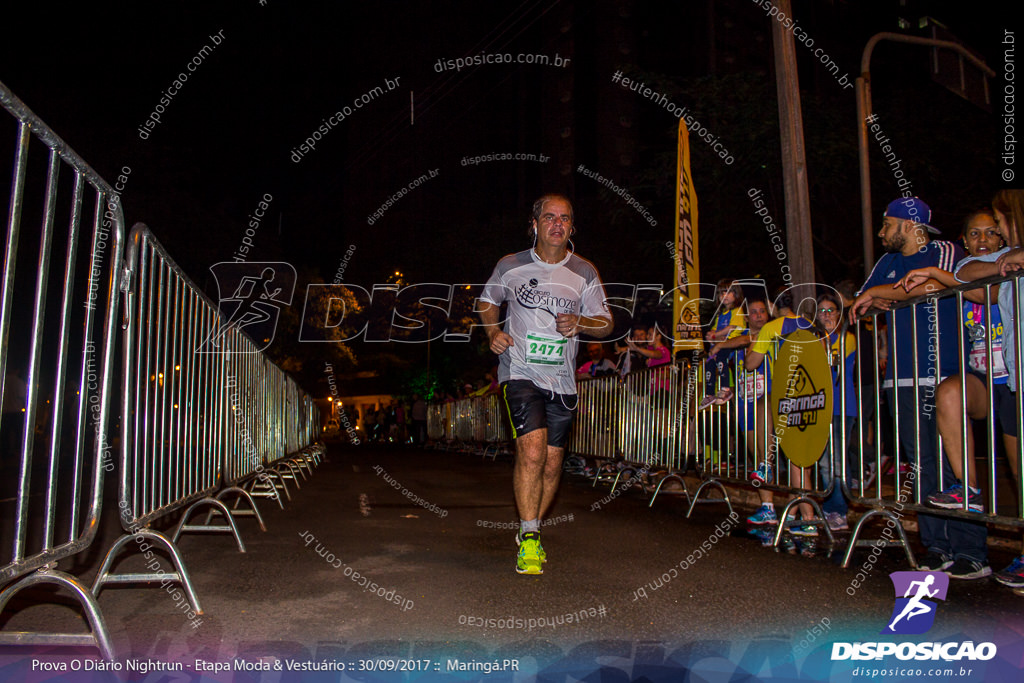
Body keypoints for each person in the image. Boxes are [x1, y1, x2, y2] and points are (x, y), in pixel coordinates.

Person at [479, 193, 612, 575]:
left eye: (565, 218)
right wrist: (492, 332)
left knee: (553, 464)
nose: (557, 224)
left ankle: (530, 527)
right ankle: (531, 537)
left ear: (572, 227)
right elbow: (488, 302)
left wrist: (582, 323)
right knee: (533, 451)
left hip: (563, 381)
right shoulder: (511, 265)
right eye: (549, 217)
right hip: (519, 372)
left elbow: (606, 321)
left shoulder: (584, 272)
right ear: (534, 224)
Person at [850, 197, 973, 574]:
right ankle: (936, 547)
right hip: (901, 375)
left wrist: (882, 294)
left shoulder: (946, 250)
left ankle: (971, 551)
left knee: (955, 466)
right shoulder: (887, 263)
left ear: (907, 224)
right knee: (919, 465)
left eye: (887, 223)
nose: (881, 231)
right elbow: (860, 303)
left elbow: (932, 287)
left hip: (944, 373)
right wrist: (874, 298)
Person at [953, 190, 1024, 587]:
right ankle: (966, 492)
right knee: (1020, 471)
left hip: (1013, 374)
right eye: (977, 232)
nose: (987, 237)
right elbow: (966, 277)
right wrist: (1004, 261)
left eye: (994, 230)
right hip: (1005, 380)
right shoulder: (992, 263)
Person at [815, 293, 857, 532]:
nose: (827, 315)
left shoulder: (846, 338)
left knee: (837, 462)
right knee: (824, 462)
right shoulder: (812, 340)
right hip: (819, 407)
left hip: (842, 407)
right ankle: (830, 507)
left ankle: (839, 511)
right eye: (822, 311)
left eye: (831, 310)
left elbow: (829, 360)